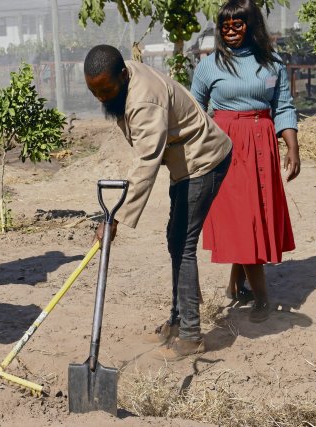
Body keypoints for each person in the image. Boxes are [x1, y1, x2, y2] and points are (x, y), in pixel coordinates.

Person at [84, 45, 233, 361]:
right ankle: (180, 320)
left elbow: (147, 159)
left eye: (106, 90)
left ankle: (191, 335)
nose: (101, 98)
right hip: (184, 161)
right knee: (175, 239)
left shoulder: (144, 100)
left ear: (123, 75)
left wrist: (114, 219)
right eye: (94, 91)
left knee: (183, 244)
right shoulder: (121, 79)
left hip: (203, 160)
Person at [191, 0, 300, 323]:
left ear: (251, 25)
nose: (231, 31)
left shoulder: (272, 63)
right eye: (225, 26)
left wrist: (292, 148)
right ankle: (263, 299)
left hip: (262, 144)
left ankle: (234, 287)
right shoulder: (209, 65)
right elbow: (195, 109)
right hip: (225, 146)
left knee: (254, 216)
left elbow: (283, 107)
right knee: (243, 218)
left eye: (238, 24)